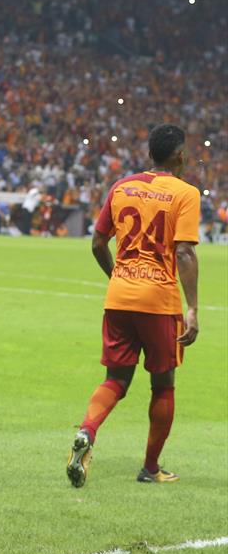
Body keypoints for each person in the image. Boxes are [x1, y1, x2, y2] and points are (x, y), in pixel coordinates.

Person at [66, 124, 199, 488]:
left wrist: (118, 277)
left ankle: (87, 430)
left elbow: (97, 243)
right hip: (159, 300)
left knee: (115, 379)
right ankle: (150, 468)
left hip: (120, 296)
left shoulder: (121, 186)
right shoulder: (185, 193)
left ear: (150, 153)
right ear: (179, 156)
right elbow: (184, 253)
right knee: (163, 384)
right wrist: (193, 309)